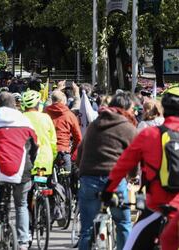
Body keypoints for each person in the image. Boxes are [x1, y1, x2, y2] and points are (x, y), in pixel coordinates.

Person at [103, 85, 179, 250]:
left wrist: (108, 190)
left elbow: (123, 164)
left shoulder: (150, 134)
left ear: (164, 109)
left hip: (159, 207)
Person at [0, 92, 38, 250]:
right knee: (21, 204)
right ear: (15, 104)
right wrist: (31, 161)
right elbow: (36, 145)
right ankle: (23, 241)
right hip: (23, 170)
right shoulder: (24, 120)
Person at [77, 92, 138, 250]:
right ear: (125, 109)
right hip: (115, 180)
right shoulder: (128, 127)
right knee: (124, 223)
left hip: (89, 179)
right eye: (133, 109)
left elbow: (80, 151)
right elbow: (134, 157)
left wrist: (81, 169)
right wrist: (132, 176)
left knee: (86, 230)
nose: (135, 112)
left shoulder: (94, 124)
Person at [21, 90, 57, 176]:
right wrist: (53, 156)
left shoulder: (20, 118)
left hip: (26, 160)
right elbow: (53, 141)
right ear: (38, 105)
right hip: (45, 159)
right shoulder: (46, 117)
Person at [45, 90, 82, 172]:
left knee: (41, 179)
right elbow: (78, 138)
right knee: (67, 178)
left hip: (47, 151)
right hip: (63, 150)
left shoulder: (45, 112)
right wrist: (72, 153)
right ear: (63, 101)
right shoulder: (70, 115)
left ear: (52, 100)